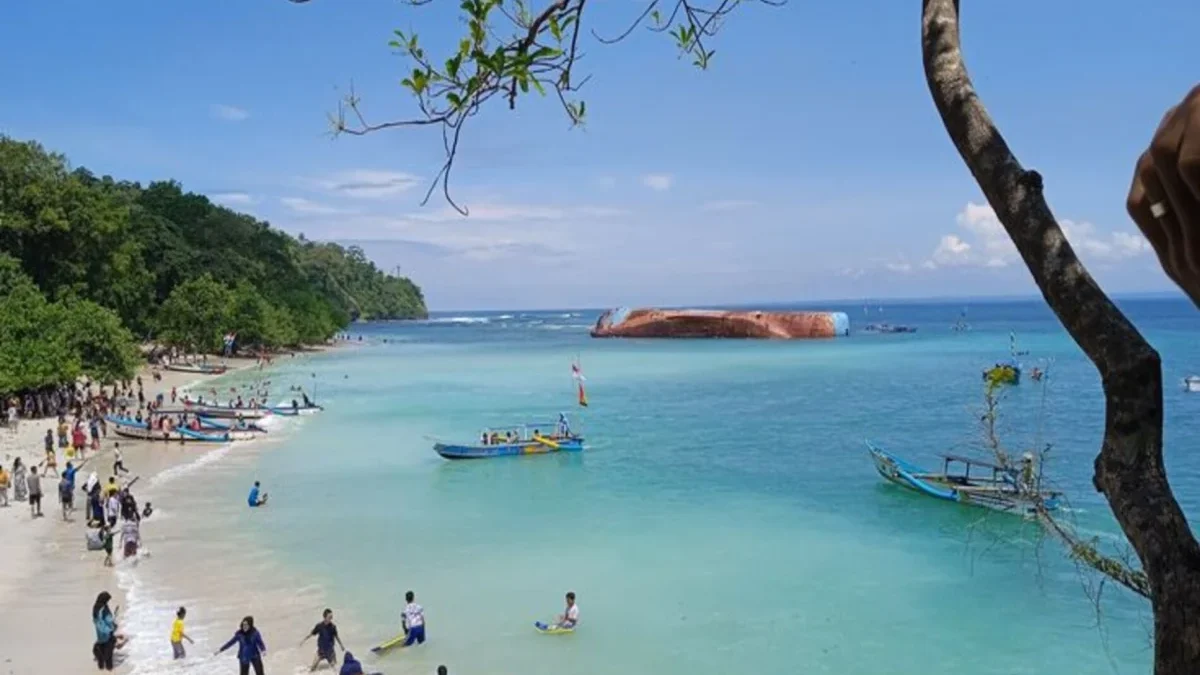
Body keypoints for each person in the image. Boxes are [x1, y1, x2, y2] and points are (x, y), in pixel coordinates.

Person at [92, 592, 118, 671]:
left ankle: (101, 667)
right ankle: (108, 668)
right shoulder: (102, 608)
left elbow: (99, 621)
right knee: (108, 652)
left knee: (102, 648)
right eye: (107, 600)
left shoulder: (97, 607)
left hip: (101, 633)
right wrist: (111, 628)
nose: (108, 601)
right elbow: (105, 620)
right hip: (106, 632)